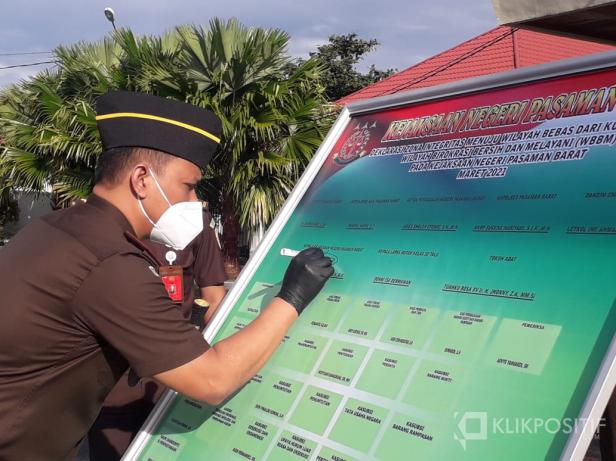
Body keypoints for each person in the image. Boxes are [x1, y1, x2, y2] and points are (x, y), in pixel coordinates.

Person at [0, 90, 333, 461]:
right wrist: (292, 297)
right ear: (142, 179)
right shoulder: (109, 262)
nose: (194, 203)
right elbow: (212, 380)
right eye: (188, 186)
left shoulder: (55, 228)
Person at [88, 207, 227, 461]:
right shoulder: (103, 221)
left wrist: (208, 363)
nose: (192, 197)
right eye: (188, 186)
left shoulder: (195, 219)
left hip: (176, 382)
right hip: (112, 383)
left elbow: (214, 299)